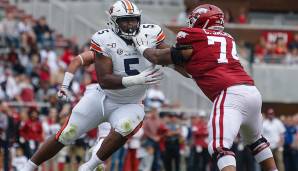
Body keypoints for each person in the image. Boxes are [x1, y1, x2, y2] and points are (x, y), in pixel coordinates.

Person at [132, 4, 278, 171]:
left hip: (229, 93)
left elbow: (159, 57)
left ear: (202, 21)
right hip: (252, 92)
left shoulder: (192, 35)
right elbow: (187, 68)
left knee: (219, 146)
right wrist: (168, 60)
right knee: (257, 142)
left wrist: (142, 47)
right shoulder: (227, 38)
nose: (190, 24)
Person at [23, 1, 165, 171]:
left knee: (124, 128)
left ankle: (89, 165)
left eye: (133, 20)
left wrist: (186, 66)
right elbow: (101, 77)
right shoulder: (104, 41)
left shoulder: (150, 35)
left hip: (130, 102)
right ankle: (28, 167)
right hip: (102, 95)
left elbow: (169, 56)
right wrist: (65, 86)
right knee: (68, 133)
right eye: (125, 21)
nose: (130, 25)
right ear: (113, 22)